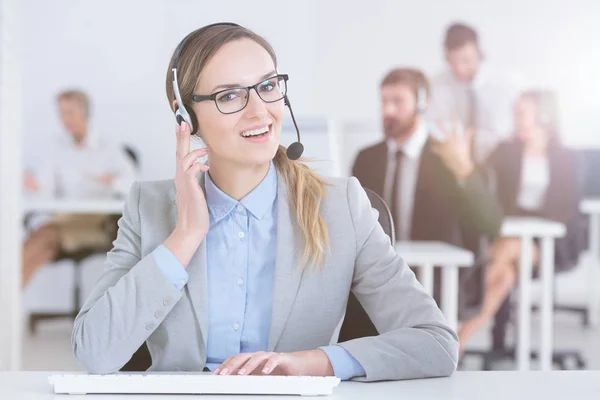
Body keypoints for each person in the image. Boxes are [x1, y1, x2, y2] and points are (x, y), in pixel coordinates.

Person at [72, 23, 458, 381]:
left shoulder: (342, 207)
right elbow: (94, 351)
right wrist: (186, 235)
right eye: (230, 96)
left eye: (268, 86)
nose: (260, 110)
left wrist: (313, 362)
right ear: (186, 117)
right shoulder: (149, 207)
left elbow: (436, 343)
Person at [350, 68, 505, 354]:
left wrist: (465, 171)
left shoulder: (449, 156)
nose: (388, 111)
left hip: (437, 279)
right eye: (383, 102)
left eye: (397, 101)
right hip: (378, 277)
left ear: (422, 103)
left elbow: (491, 225)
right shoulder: (366, 158)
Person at [458, 90, 583, 348]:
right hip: (508, 233)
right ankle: (456, 344)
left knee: (510, 247)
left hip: (551, 242)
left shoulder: (567, 158)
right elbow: (479, 188)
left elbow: (565, 208)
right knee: (503, 276)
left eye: (521, 113)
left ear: (543, 116)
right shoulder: (506, 150)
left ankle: (462, 292)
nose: (515, 119)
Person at [21, 90, 137, 286]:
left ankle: (6, 302)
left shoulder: (107, 147)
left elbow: (132, 184)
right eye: (61, 113)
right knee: (43, 240)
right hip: (62, 220)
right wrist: (32, 185)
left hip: (97, 222)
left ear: (85, 113)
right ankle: (7, 302)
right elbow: (45, 192)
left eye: (70, 112)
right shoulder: (55, 148)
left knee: (43, 238)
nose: (65, 119)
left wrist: (110, 180)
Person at [427, 22, 522, 163]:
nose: (459, 68)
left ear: (478, 53)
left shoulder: (507, 84)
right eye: (452, 62)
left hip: (500, 162)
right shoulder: (437, 84)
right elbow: (431, 126)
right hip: (453, 163)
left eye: (465, 60)